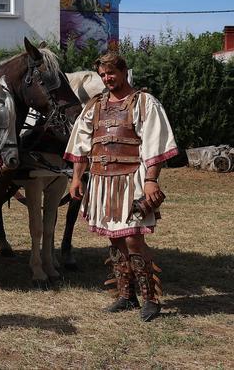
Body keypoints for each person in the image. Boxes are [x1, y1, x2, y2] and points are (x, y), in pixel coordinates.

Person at [66, 52, 178, 322]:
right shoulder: (94, 105)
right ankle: (126, 295)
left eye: (111, 73)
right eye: (103, 75)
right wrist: (77, 178)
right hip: (102, 180)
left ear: (124, 71)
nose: (107, 79)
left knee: (133, 238)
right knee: (115, 239)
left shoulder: (143, 102)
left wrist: (151, 180)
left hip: (133, 180)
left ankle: (150, 299)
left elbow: (155, 142)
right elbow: (81, 143)